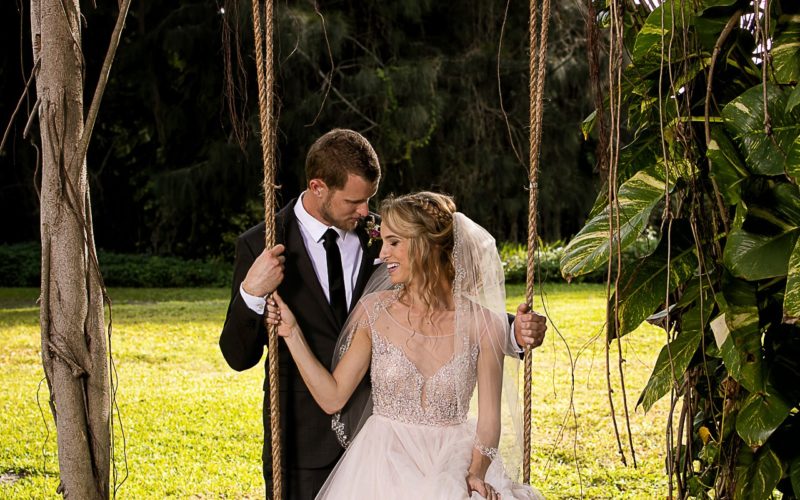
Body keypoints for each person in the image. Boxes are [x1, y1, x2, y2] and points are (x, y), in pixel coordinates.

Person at [220, 128, 546, 499]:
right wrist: (252, 292)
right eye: (355, 201)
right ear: (318, 187)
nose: (365, 213)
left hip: (424, 455)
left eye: (369, 200)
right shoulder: (262, 244)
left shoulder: (383, 232)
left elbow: (440, 300)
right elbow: (237, 354)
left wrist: (513, 331)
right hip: (307, 443)